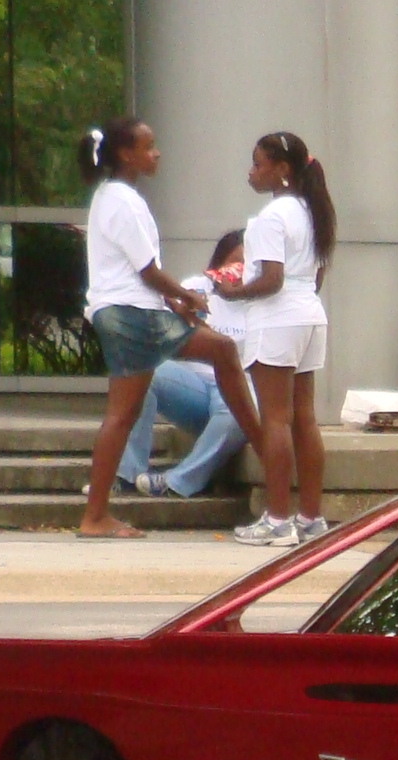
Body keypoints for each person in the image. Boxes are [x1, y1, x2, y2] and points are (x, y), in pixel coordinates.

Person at [76, 118, 261, 540]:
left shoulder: (110, 196)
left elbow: (137, 274)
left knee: (121, 415)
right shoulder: (124, 201)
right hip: (134, 315)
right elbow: (147, 271)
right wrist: (188, 297)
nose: (156, 153)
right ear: (126, 155)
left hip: (124, 312)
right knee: (224, 351)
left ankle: (95, 515)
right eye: (149, 146)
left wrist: (174, 301)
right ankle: (265, 447)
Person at [233, 130, 336, 547]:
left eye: (258, 165)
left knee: (274, 419)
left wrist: (232, 292)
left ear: (282, 170)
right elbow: (316, 276)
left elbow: (271, 279)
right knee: (304, 418)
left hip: (276, 318)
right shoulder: (314, 211)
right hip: (309, 314)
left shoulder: (272, 216)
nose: (251, 172)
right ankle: (310, 518)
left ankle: (277, 520)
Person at [121, 232, 252, 500]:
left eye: (251, 264)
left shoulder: (265, 302)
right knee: (143, 372)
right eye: (236, 261)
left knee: (234, 413)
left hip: (238, 389)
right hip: (195, 385)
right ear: (220, 261)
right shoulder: (196, 288)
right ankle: (126, 475)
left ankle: (177, 481)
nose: (241, 271)